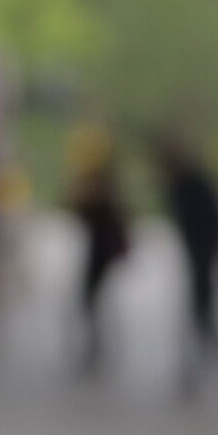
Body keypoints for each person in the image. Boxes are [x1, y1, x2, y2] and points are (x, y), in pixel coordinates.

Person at [157, 132, 218, 399]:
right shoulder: (178, 184)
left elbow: (217, 221)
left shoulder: (193, 183)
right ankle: (203, 368)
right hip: (197, 257)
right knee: (202, 316)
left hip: (204, 257)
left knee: (203, 315)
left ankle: (207, 368)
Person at [66, 123, 130, 380]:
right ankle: (96, 344)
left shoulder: (102, 190)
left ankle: (97, 345)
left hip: (101, 252)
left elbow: (83, 211)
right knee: (92, 300)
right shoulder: (104, 188)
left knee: (91, 299)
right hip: (99, 250)